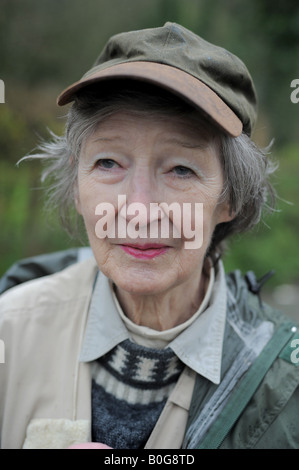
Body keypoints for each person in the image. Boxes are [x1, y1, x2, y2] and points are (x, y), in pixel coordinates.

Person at [0, 22, 298, 450]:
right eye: (108, 163)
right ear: (77, 188)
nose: (139, 211)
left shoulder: (285, 388)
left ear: (230, 199)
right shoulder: (11, 332)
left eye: (180, 169)